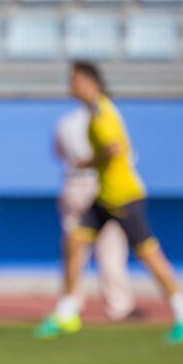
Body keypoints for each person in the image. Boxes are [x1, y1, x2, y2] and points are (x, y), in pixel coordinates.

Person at [35, 62, 183, 344]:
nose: (70, 86)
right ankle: (67, 311)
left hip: (123, 196)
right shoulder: (95, 112)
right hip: (104, 196)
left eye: (74, 80)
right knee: (75, 242)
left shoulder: (102, 113)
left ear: (90, 82)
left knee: (149, 254)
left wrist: (88, 161)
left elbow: (115, 149)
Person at [53, 105, 136, 322]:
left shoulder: (66, 121)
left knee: (74, 248)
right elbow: (123, 155)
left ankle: (71, 305)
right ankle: (119, 305)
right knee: (111, 248)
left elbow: (58, 153)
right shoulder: (110, 118)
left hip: (73, 184)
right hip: (100, 185)